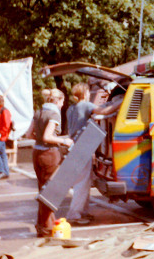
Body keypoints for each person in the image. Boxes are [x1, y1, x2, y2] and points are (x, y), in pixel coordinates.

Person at [65, 83, 123, 225]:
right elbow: (104, 112)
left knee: (83, 182)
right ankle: (74, 215)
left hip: (74, 146)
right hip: (83, 146)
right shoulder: (85, 105)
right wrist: (121, 102)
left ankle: (83, 212)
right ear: (85, 93)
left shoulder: (71, 108)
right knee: (82, 184)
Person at [25, 88, 74, 237]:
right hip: (49, 155)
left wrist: (41, 139)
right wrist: (64, 141)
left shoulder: (39, 112)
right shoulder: (54, 114)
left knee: (42, 190)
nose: (62, 105)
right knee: (50, 193)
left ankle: (44, 225)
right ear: (58, 100)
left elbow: (29, 134)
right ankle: (46, 229)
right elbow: (47, 136)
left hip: (36, 153)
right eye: (62, 102)